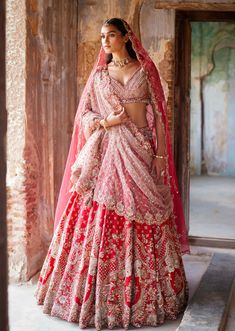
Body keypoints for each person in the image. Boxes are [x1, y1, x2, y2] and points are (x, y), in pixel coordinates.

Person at [35, 17, 190, 330]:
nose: (105, 41)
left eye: (111, 35)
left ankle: (147, 293)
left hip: (140, 148)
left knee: (147, 211)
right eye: (102, 36)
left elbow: (159, 114)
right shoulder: (99, 76)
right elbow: (85, 117)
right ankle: (93, 295)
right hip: (106, 151)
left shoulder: (146, 71)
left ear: (126, 37)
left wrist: (160, 154)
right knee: (97, 211)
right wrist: (107, 123)